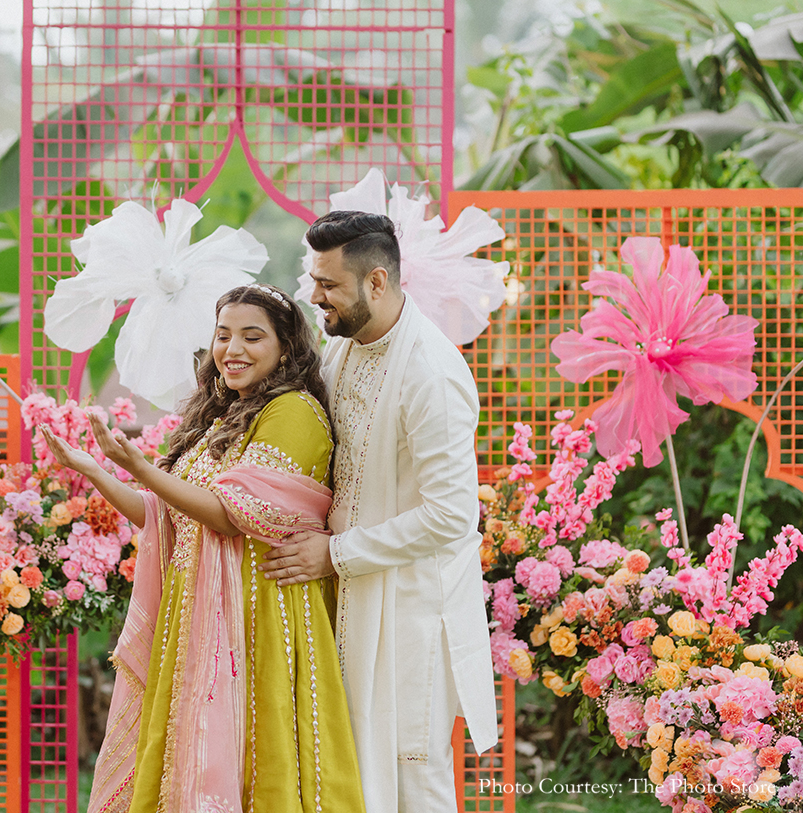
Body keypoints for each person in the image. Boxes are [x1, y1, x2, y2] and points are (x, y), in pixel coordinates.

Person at [41, 283, 366, 813]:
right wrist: (94, 470)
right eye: (223, 335)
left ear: (286, 346)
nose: (232, 350)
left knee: (259, 756)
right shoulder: (222, 416)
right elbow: (165, 516)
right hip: (198, 616)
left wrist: (142, 467)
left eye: (251, 336)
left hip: (262, 611)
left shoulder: (294, 412)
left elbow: (233, 517)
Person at [259, 210, 499, 813]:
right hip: (353, 599)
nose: (314, 296)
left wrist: (336, 555)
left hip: (411, 610)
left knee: (411, 781)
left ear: (377, 283)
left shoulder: (431, 373)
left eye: (328, 284)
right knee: (354, 774)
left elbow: (451, 515)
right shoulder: (345, 351)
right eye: (313, 279)